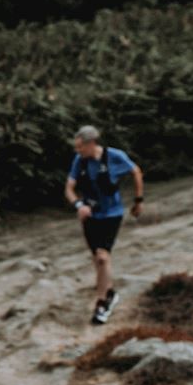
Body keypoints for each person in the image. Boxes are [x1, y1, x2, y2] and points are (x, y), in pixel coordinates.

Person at [64, 125, 144, 325]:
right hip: (90, 215)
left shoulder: (115, 156)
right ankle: (109, 291)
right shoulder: (79, 161)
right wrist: (78, 204)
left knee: (102, 256)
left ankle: (102, 304)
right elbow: (69, 188)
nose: (78, 151)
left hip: (112, 214)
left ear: (92, 144)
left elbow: (136, 171)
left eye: (81, 147)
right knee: (98, 259)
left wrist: (138, 200)